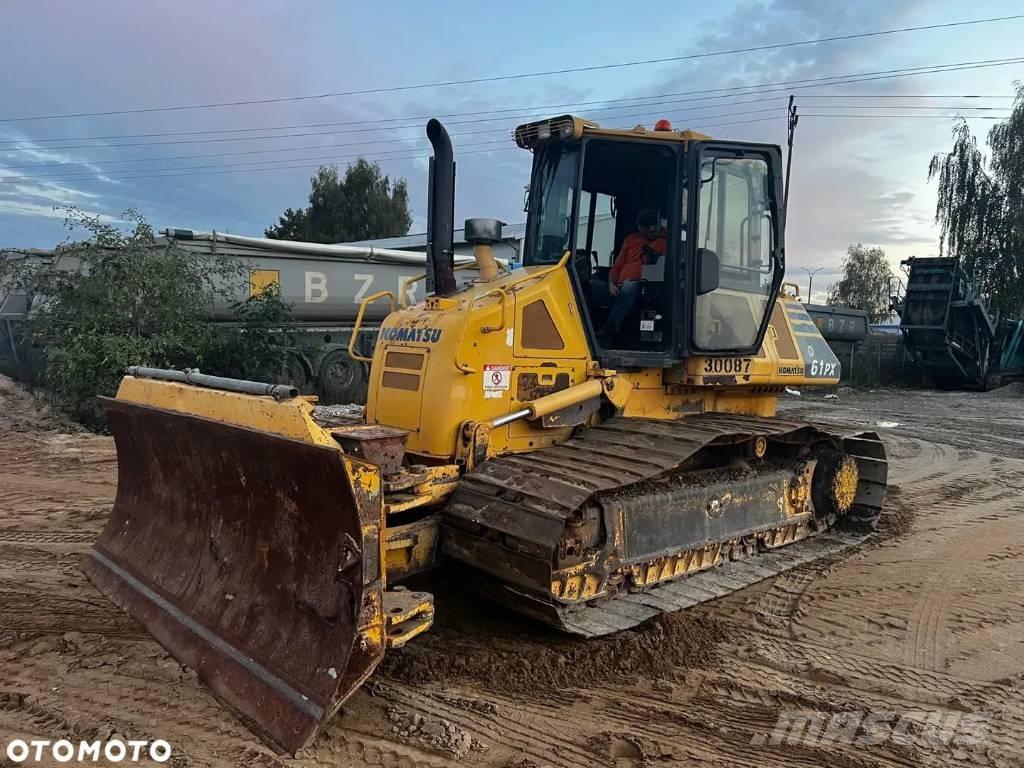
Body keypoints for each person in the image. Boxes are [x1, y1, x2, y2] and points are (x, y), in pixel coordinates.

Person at [593, 208, 666, 343]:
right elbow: (617, 266)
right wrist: (611, 284)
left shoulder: (667, 240)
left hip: (645, 286)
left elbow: (654, 262)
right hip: (617, 288)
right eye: (646, 224)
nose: (651, 228)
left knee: (629, 286)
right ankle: (588, 334)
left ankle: (609, 329)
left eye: (653, 223)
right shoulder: (631, 239)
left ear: (659, 222)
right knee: (591, 284)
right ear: (638, 226)